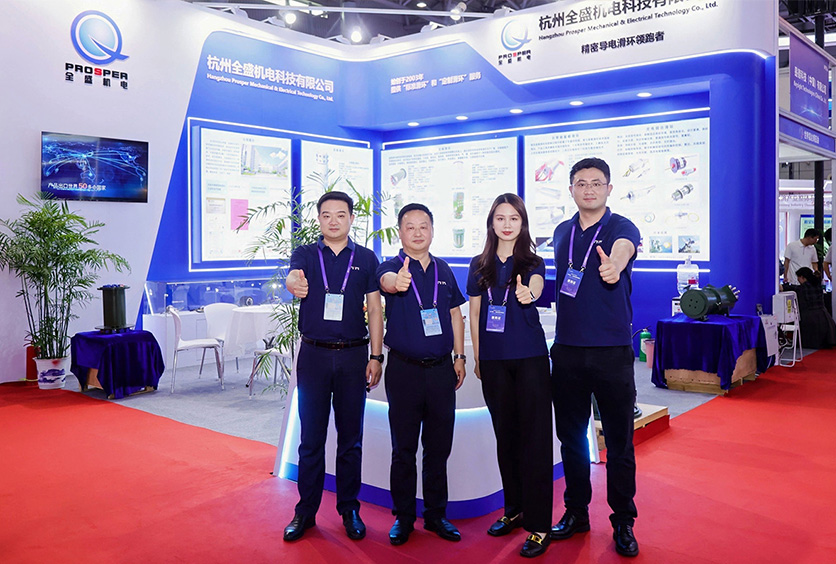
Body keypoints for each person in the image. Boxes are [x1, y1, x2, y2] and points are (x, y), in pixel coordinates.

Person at [550, 157, 642, 558]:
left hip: (611, 353)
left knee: (619, 442)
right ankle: (576, 512)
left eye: (596, 183)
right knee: (571, 439)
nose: (589, 189)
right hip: (568, 351)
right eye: (581, 183)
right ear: (571, 189)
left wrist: (614, 267)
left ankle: (623, 520)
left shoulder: (621, 227)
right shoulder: (562, 232)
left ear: (609, 189)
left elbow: (624, 249)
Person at [282, 191, 384, 542]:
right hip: (314, 356)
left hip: (354, 356)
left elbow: (375, 309)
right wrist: (293, 283)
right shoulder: (306, 254)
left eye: (341, 214)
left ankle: (349, 508)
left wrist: (376, 356)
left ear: (351, 218)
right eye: (326, 215)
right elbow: (292, 277)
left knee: (350, 440)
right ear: (319, 219)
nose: (334, 221)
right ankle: (305, 511)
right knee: (310, 438)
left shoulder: (366, 258)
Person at [466, 194, 553, 558]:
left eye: (513, 218)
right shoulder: (479, 265)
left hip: (530, 360)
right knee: (506, 438)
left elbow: (536, 287)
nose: (506, 224)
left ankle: (540, 524)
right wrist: (478, 358)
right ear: (491, 223)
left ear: (522, 223)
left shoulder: (532, 261)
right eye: (500, 218)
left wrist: (528, 293)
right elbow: (474, 314)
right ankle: (513, 510)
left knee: (535, 441)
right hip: (494, 362)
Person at [377, 203, 467, 546]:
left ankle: (436, 514)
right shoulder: (391, 266)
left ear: (432, 230)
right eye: (410, 226)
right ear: (400, 232)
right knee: (403, 449)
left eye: (423, 226)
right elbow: (386, 283)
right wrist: (396, 282)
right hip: (404, 371)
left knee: (438, 447)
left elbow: (455, 314)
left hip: (442, 370)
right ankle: (403, 517)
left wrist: (459, 356)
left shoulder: (444, 269)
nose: (417, 232)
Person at [787, 267, 836, 349]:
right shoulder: (818, 285)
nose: (798, 280)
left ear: (802, 277)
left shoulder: (802, 288)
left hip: (809, 317)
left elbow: (794, 289)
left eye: (798, 277)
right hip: (823, 315)